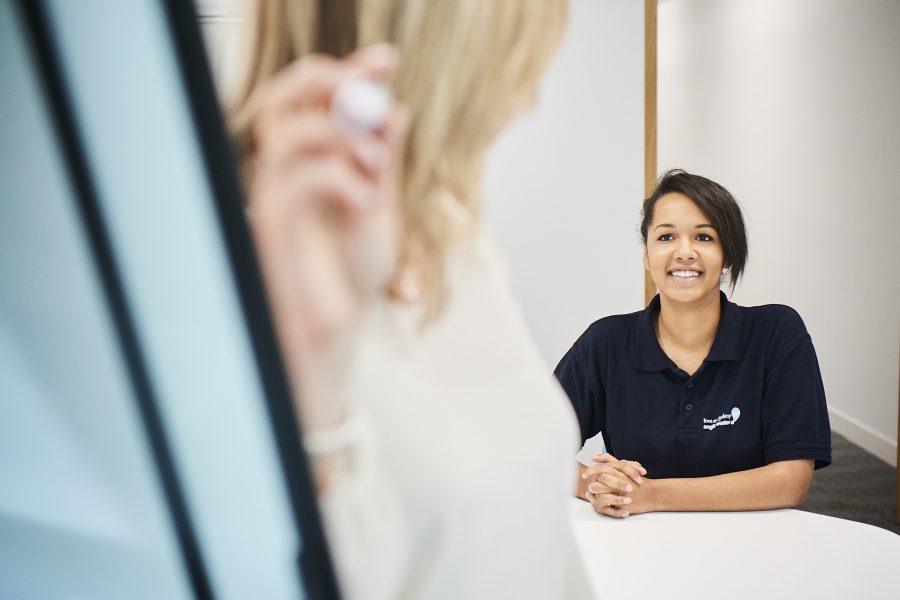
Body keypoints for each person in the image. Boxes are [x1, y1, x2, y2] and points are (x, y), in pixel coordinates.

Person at [227, 0, 591, 598]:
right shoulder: (247, 279)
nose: (528, 99)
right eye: (513, 59)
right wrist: (312, 396)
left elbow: (535, 545)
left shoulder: (457, 242)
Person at [555, 169, 831, 518]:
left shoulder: (777, 333)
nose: (684, 253)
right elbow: (536, 448)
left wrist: (653, 494)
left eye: (704, 238)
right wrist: (601, 487)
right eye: (666, 237)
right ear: (646, 255)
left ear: (727, 254)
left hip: (754, 544)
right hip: (637, 545)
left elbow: (791, 481)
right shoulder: (606, 342)